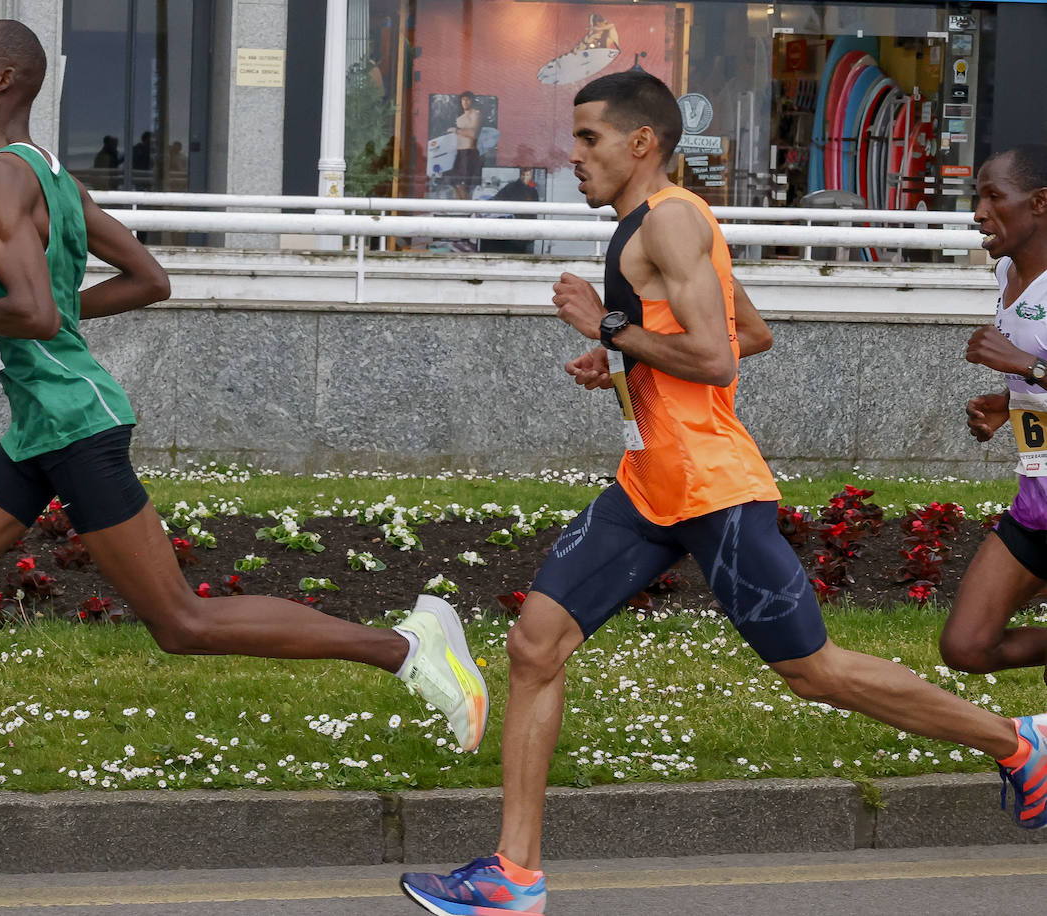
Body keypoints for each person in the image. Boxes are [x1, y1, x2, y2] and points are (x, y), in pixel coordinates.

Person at [0, 19, 487, 893]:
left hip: (74, 427)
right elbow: (149, 280)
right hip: (45, 426)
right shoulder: (48, 177)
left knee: (180, 623)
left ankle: (410, 647)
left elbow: (35, 312)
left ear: (3, 80)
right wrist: (43, 323)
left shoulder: (2, 178)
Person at [399, 71, 1047, 915]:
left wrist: (603, 325)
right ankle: (514, 873)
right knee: (535, 645)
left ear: (641, 143)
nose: (575, 154)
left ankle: (1016, 745)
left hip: (709, 488)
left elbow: (720, 359)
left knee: (813, 671)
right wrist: (625, 356)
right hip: (649, 485)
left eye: (589, 138)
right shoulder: (663, 222)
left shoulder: (670, 220)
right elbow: (753, 327)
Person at [942, 145, 1047, 682]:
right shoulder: (1006, 271)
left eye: (993, 196)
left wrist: (1026, 366)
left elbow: (1034, 365)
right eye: (978, 195)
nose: (979, 211)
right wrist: (1009, 405)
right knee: (967, 647)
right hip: (1037, 504)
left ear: (1040, 204)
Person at [481, 167, 540, 255]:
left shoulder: (525, 189)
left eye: (528, 174)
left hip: (511, 233)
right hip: (513, 234)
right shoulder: (515, 188)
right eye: (525, 174)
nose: (526, 177)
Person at [449, 91, 482, 200]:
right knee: (454, 183)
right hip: (457, 153)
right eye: (463, 100)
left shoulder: (475, 114)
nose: (465, 102)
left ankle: (466, 209)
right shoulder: (459, 118)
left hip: (469, 153)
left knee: (464, 184)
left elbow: (473, 134)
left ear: (471, 101)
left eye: (467, 99)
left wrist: (457, 131)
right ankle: (457, 210)